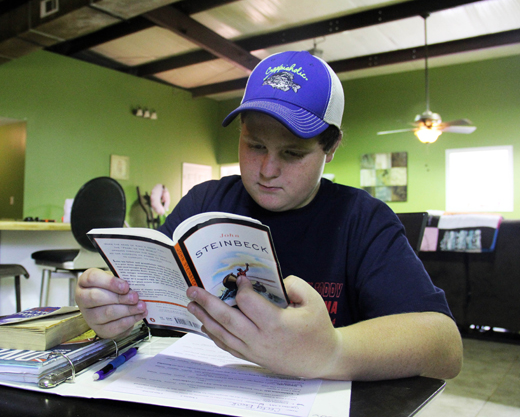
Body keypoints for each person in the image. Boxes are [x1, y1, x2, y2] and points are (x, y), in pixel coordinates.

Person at [76, 51, 463, 381]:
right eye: (254, 144)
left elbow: (445, 346)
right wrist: (109, 308)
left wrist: (331, 351)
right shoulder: (204, 200)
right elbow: (141, 298)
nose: (266, 169)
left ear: (331, 148)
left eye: (292, 153)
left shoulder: (362, 219)